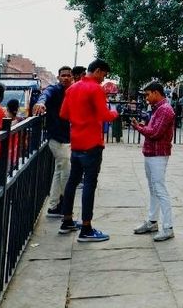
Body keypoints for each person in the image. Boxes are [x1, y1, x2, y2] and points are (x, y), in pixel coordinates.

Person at [59, 59, 118, 242]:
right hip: (91, 143)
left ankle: (67, 220)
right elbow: (104, 115)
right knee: (89, 185)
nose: (103, 79)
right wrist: (115, 113)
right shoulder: (96, 89)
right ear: (98, 71)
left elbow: (64, 114)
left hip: (76, 142)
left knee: (72, 182)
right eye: (104, 75)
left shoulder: (72, 88)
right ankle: (86, 227)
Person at [131, 82, 175, 241]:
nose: (146, 98)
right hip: (151, 153)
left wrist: (139, 128)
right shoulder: (159, 109)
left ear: (156, 93)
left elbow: (155, 132)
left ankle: (168, 226)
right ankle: (152, 221)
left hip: (158, 154)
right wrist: (144, 127)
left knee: (159, 189)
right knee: (153, 188)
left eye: (148, 94)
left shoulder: (165, 110)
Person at [33, 66, 73, 218]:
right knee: (65, 172)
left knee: (59, 171)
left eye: (68, 76)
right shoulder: (54, 90)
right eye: (63, 75)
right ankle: (63, 204)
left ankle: (54, 205)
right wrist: (41, 103)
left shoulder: (71, 91)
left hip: (66, 138)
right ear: (58, 77)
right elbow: (45, 95)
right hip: (57, 138)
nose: (65, 78)